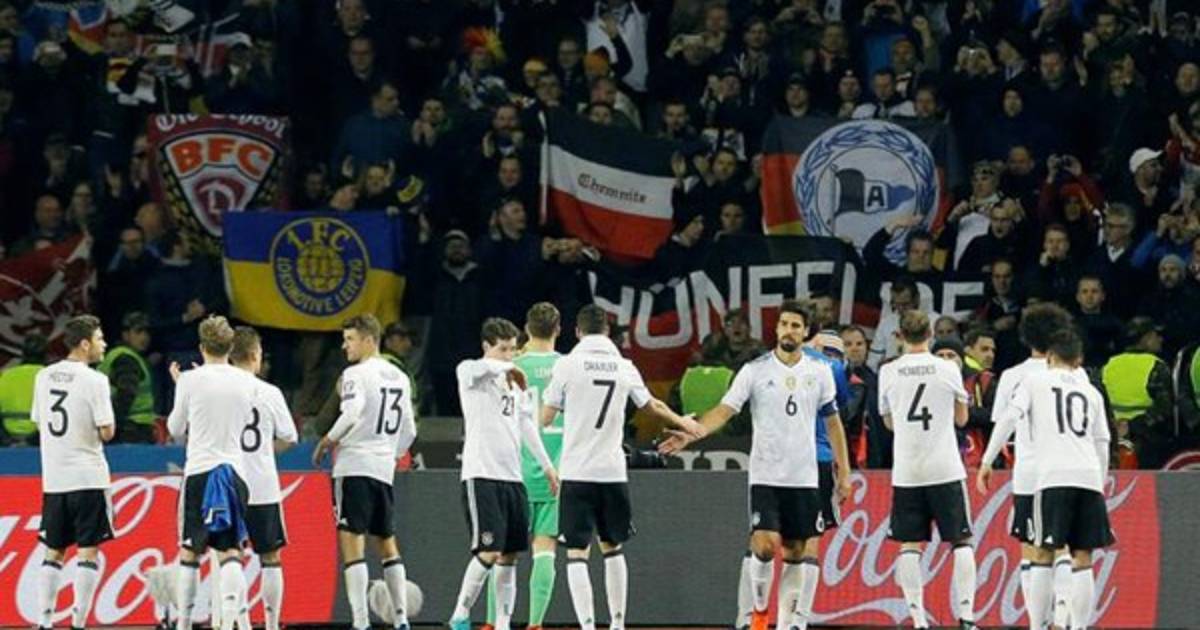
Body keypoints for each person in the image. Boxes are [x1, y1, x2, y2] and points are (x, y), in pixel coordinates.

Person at [660, 300, 851, 630]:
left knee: (795, 551)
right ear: (776, 328)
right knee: (764, 546)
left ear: (805, 332)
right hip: (766, 475)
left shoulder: (819, 372)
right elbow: (726, 409)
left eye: (795, 326)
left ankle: (788, 623)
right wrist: (694, 433)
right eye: (784, 324)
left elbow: (833, 423)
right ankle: (760, 611)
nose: (788, 330)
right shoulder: (755, 370)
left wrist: (844, 471)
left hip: (804, 477)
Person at [541, 305, 700, 630]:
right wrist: (683, 422)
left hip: (576, 472)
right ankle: (617, 624)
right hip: (612, 471)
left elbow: (545, 418)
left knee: (576, 552)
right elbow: (652, 406)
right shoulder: (624, 366)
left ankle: (587, 626)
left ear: (578, 332)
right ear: (608, 332)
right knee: (612, 548)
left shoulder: (567, 365)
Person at [996, 329, 1114, 629]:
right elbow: (1103, 441)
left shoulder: (1031, 380)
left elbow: (1007, 417)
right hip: (1088, 476)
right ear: (1079, 359)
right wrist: (1099, 482)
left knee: (1041, 552)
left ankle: (1039, 625)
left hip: (1048, 476)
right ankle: (1078, 626)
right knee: (1083, 557)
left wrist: (987, 459)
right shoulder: (1091, 391)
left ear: (1049, 356)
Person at [448, 318, 558, 630]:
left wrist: (547, 466)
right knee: (489, 550)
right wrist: (507, 367)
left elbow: (526, 425)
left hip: (513, 477)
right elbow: (480, 368)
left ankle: (503, 623)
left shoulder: (514, 382)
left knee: (509, 555)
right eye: (503, 349)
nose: (509, 355)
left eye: (512, 349)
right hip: (482, 474)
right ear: (486, 346)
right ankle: (460, 614)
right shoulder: (470, 372)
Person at [312, 315, 416, 630]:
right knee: (386, 542)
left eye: (350, 339)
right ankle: (401, 619)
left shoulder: (355, 374)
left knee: (352, 541)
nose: (345, 346)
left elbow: (352, 412)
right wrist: (390, 455)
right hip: (382, 468)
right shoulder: (400, 377)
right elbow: (410, 431)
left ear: (369, 339)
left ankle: (360, 621)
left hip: (354, 464)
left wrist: (328, 440)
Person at [976, 303, 1077, 630]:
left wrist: (987, 460)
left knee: (1031, 551)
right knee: (1063, 547)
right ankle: (1062, 619)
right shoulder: (1075, 375)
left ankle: (1037, 623)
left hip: (1030, 471)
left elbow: (1003, 422)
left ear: (1026, 336)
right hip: (1067, 469)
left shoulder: (1013, 376)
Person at [878, 311, 977, 629]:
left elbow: (889, 422)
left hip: (908, 469)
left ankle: (919, 620)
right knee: (961, 541)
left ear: (899, 336)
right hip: (945, 467)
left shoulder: (888, 371)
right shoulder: (948, 368)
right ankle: (966, 618)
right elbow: (962, 419)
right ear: (931, 335)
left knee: (909, 545)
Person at [167, 316, 257, 630]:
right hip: (234, 471)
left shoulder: (190, 381)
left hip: (200, 470)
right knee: (231, 550)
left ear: (202, 347)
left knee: (190, 550)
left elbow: (175, 428)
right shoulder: (246, 381)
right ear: (230, 347)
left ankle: (184, 623)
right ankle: (231, 621)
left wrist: (182, 388)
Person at [483, 303, 565, 630]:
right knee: (545, 549)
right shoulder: (567, 367)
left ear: (526, 330)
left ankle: (493, 622)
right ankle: (535, 624)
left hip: (514, 470)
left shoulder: (509, 366)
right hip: (555, 470)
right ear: (558, 330)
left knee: (504, 553)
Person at [32, 315, 115, 630]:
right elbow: (107, 431)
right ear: (84, 344)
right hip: (88, 477)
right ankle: (78, 624)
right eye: (99, 338)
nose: (104, 344)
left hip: (55, 480)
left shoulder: (43, 376)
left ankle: (44, 622)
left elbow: (40, 421)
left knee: (53, 552)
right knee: (87, 553)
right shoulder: (95, 380)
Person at [230, 327, 297, 630]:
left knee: (231, 556)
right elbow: (290, 437)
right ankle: (271, 624)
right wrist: (265, 452)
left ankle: (242, 623)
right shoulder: (270, 392)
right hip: (263, 485)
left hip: (229, 484)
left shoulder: (220, 391)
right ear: (255, 355)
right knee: (270, 557)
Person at [97, 311, 157, 444]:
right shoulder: (126, 359)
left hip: (128, 428)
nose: (144, 337)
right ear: (125, 335)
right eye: (138, 331)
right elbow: (125, 395)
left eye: (147, 332)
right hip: (130, 430)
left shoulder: (124, 356)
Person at [0, 333, 47, 446]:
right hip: (40, 438)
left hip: (6, 437)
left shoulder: (6, 375)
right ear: (45, 355)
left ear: (23, 354)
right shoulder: (49, 376)